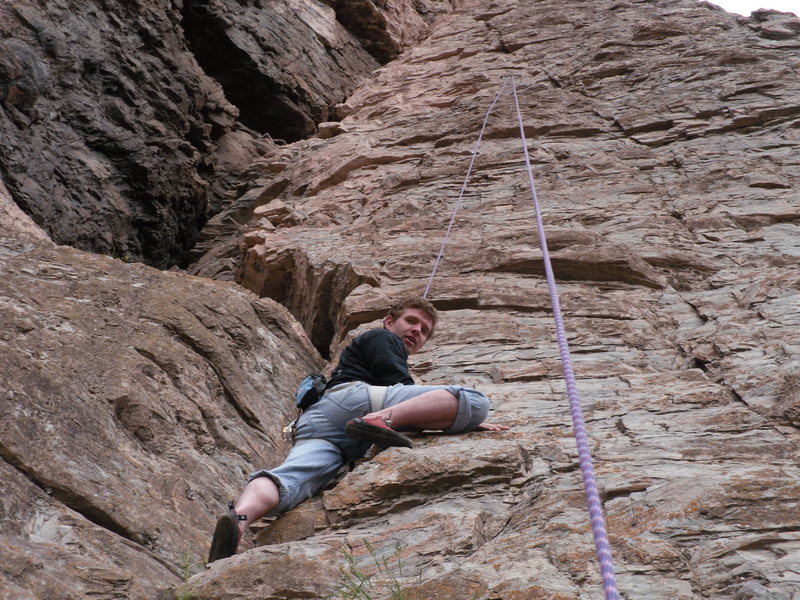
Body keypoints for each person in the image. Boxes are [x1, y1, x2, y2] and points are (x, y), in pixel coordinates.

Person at [207, 296, 508, 563]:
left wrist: (444, 414)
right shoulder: (382, 337)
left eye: (424, 330)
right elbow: (398, 382)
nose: (417, 330)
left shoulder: (375, 344)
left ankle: (239, 520)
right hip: (356, 402)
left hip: (320, 424)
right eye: (411, 321)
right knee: (474, 400)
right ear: (390, 322)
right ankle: (380, 420)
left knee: (290, 478)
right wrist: (457, 412)